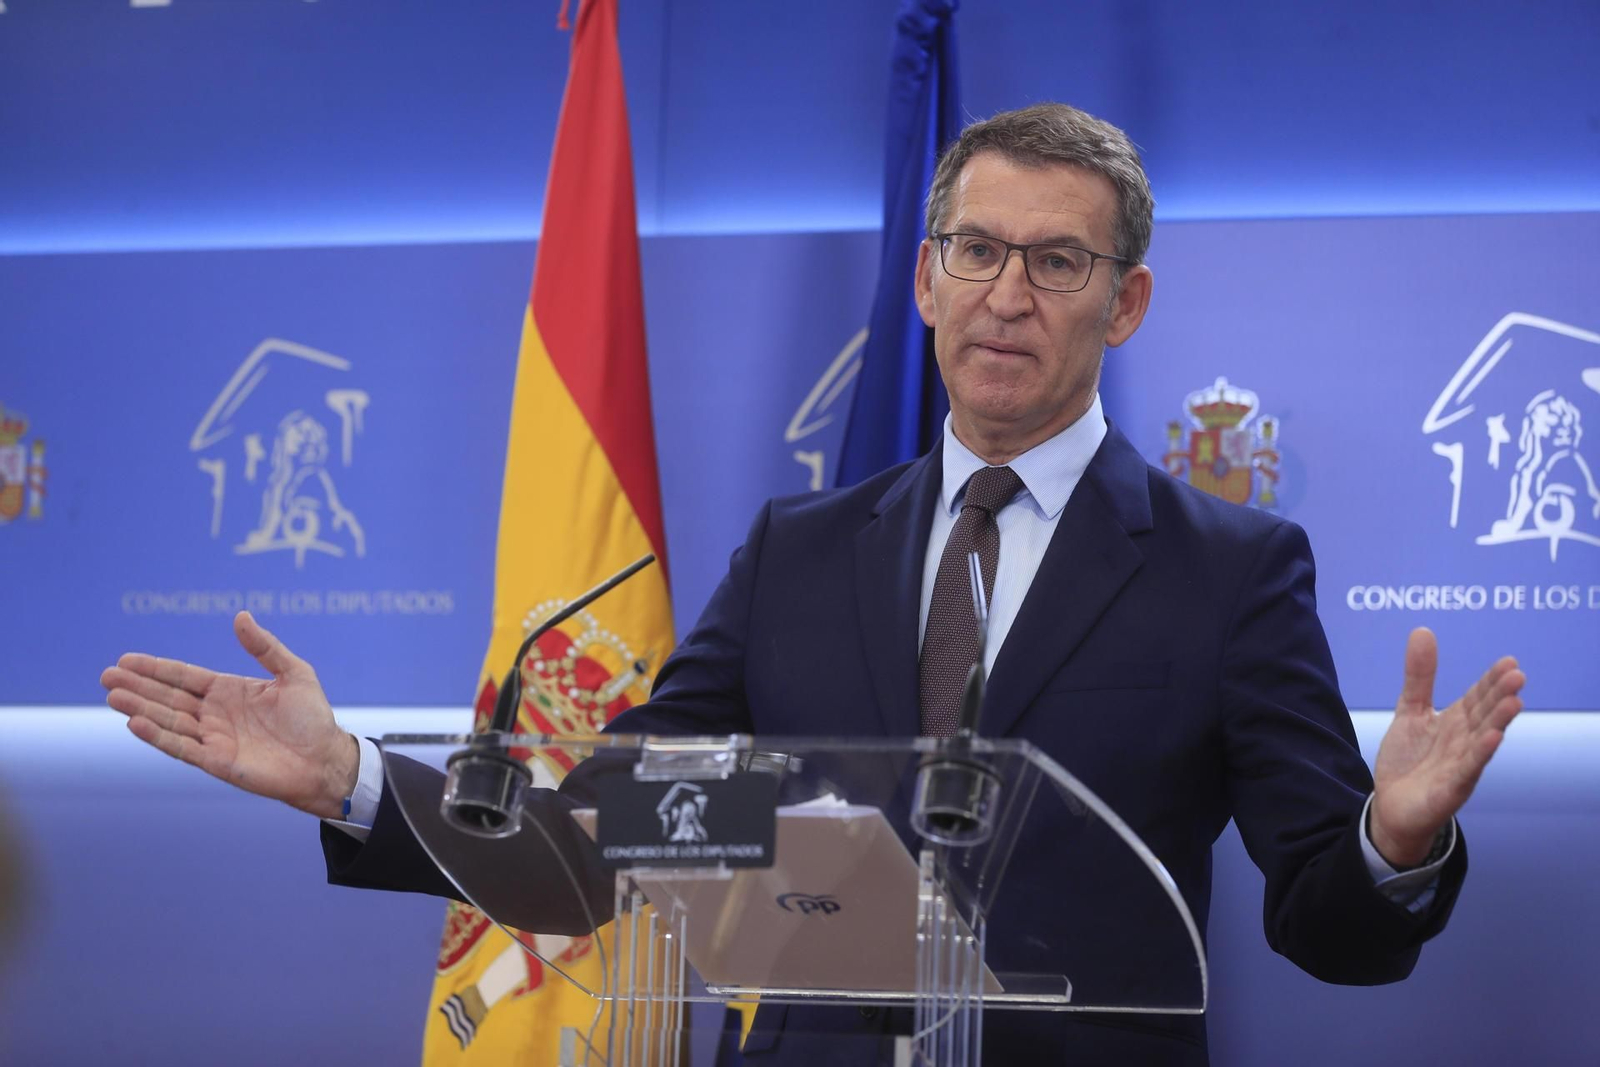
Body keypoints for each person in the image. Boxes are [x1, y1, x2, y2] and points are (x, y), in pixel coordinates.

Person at [101, 103, 1525, 1064]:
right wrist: (352, 778)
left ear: (1127, 300)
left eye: (1056, 261)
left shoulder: (1230, 572)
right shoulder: (801, 553)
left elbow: (1327, 933)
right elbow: (606, 841)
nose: (1006, 295)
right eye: (976, 251)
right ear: (924, 279)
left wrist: (1396, 845)